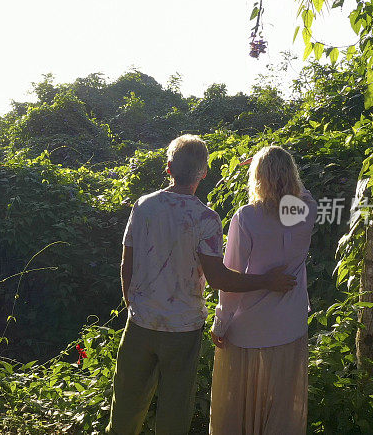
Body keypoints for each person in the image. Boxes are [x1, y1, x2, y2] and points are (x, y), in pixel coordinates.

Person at [106, 135, 297, 435]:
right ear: (204, 173)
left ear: (168, 168)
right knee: (174, 410)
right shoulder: (206, 219)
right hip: (183, 328)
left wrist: (134, 305)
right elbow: (219, 278)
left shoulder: (143, 207)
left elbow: (126, 263)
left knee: (126, 407)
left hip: (140, 323)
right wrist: (267, 281)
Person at [209, 145, 317, 434]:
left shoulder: (246, 217)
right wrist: (279, 169)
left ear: (257, 179)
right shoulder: (306, 209)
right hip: (290, 323)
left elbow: (231, 278)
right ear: (291, 175)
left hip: (250, 327)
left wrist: (220, 323)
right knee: (280, 405)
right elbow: (301, 194)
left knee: (242, 406)